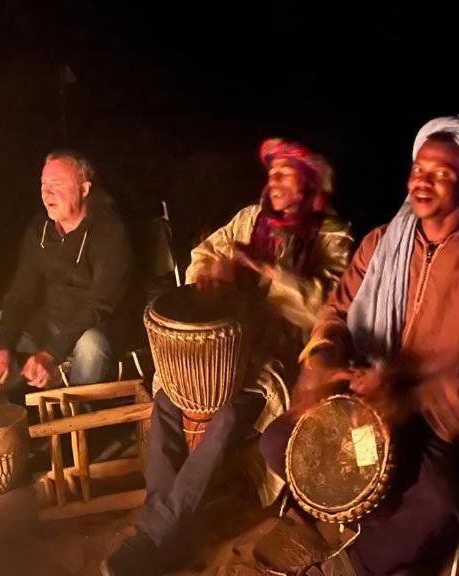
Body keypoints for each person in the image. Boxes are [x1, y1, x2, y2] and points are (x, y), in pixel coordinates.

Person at [260, 115, 459, 575]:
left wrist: (413, 396)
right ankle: (340, 524)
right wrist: (326, 354)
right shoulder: (380, 243)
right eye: (418, 169)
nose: (422, 182)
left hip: (438, 414)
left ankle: (356, 563)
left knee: (437, 494)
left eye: (440, 174)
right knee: (278, 443)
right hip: (362, 395)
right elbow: (338, 310)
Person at [102, 138, 353, 576]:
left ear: (309, 182)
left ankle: (155, 535)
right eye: (270, 173)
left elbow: (328, 303)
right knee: (165, 402)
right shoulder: (249, 220)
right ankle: (165, 528)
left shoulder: (331, 238)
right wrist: (211, 276)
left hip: (276, 360)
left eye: (284, 174)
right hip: (222, 354)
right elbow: (204, 254)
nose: (272, 182)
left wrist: (267, 270)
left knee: (226, 419)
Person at [0, 151, 133, 393]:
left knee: (92, 346)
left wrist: (51, 353)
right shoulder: (39, 229)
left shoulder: (109, 231)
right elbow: (21, 293)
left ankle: (81, 412)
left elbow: (100, 305)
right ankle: (30, 383)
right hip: (50, 320)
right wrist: (2, 348)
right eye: (43, 184)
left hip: (93, 327)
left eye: (57, 184)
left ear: (84, 189)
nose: (46, 192)